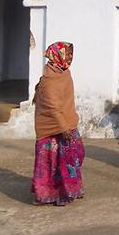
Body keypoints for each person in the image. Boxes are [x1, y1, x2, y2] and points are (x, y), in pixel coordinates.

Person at [31, 41, 85, 206]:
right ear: (57, 56)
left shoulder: (63, 73)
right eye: (67, 54)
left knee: (74, 156)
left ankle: (72, 189)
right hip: (52, 127)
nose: (70, 57)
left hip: (67, 122)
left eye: (70, 54)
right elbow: (52, 107)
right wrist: (63, 127)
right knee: (51, 163)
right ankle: (49, 194)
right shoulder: (49, 79)